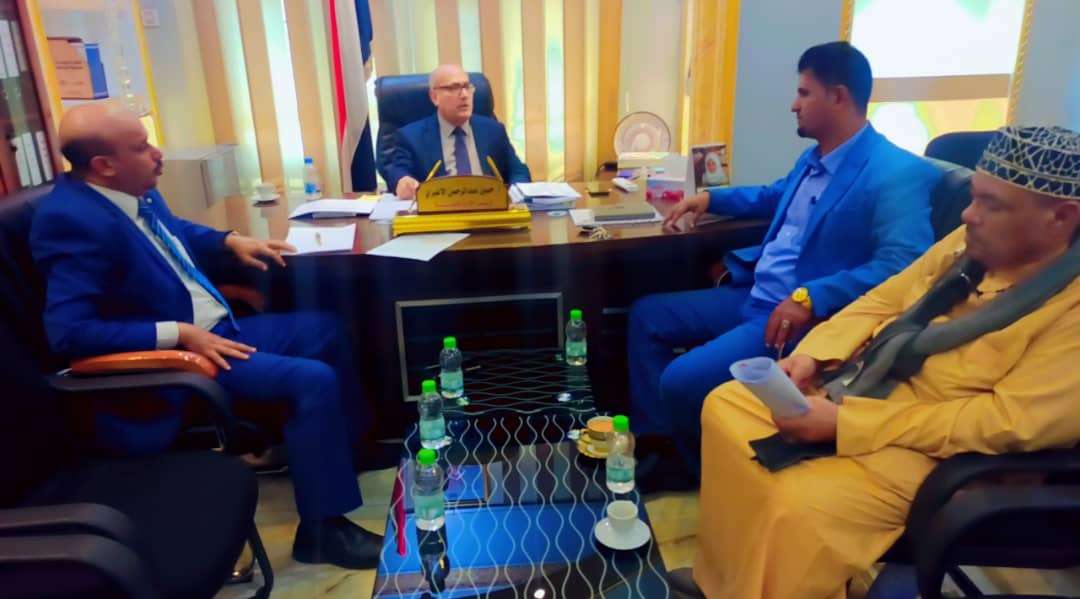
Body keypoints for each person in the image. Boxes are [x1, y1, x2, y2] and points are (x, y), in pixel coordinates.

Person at [668, 125, 1080, 599]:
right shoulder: (967, 245)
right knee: (726, 405)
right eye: (973, 197)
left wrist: (847, 425)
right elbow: (884, 299)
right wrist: (812, 354)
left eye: (992, 204)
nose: (969, 214)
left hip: (941, 453)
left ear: (1061, 217)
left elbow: (1005, 422)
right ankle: (726, 581)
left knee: (795, 503)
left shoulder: (1070, 309)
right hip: (866, 386)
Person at [31, 101, 382, 569]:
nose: (157, 154)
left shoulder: (130, 192)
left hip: (217, 330)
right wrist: (178, 334)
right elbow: (70, 334)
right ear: (104, 165)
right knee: (311, 379)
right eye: (141, 147)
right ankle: (322, 532)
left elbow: (173, 232)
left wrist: (229, 240)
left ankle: (342, 454)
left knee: (327, 329)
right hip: (182, 358)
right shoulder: (71, 221)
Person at [627, 41, 941, 485]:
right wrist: (710, 198)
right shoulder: (815, 158)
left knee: (679, 380)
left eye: (804, 93)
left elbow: (906, 264)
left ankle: (699, 471)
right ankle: (660, 444)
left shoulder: (895, 171)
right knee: (647, 316)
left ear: (838, 96)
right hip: (753, 294)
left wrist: (811, 296)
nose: (794, 105)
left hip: (791, 319)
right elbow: (773, 195)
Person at [379, 64, 531, 199]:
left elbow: (519, 170)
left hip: (489, 210)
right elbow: (398, 170)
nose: (464, 95)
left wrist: (514, 194)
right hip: (439, 213)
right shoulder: (411, 136)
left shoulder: (494, 130)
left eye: (467, 87)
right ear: (434, 97)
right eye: (453, 88)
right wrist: (403, 180)